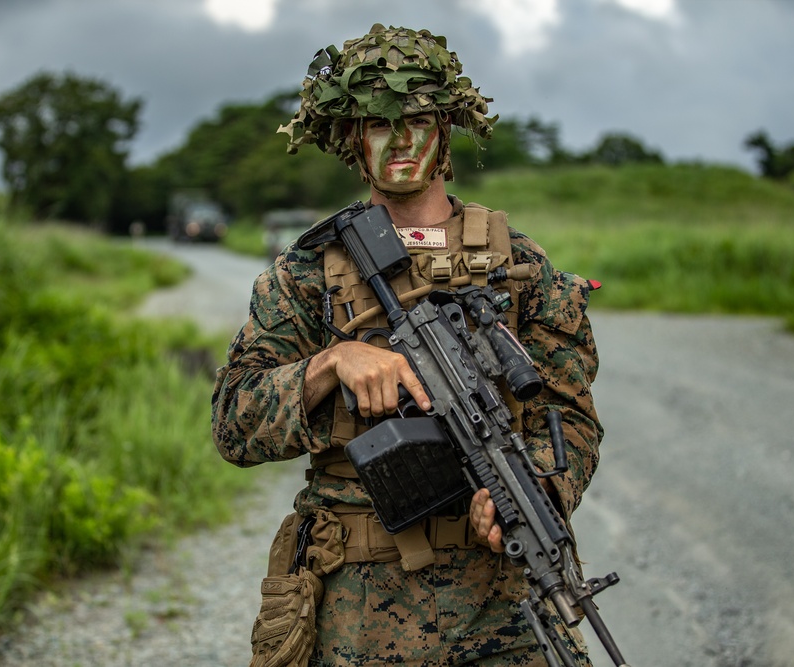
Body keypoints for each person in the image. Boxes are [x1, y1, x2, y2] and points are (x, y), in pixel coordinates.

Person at [212, 24, 603, 667]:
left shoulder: (520, 263)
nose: (399, 139)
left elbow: (571, 413)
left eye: (418, 118)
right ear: (351, 140)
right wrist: (329, 364)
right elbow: (234, 422)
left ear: (446, 129)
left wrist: (543, 485)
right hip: (361, 606)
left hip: (504, 592)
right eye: (377, 122)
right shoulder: (307, 272)